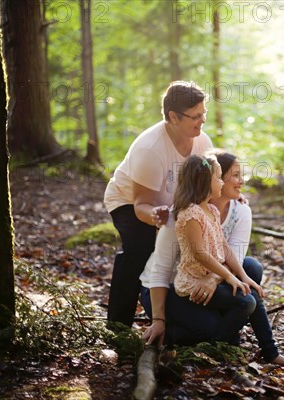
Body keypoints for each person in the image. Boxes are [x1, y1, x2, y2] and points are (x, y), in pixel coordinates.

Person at [141, 154, 284, 365]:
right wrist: (158, 320)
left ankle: (269, 350)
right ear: (206, 180)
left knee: (251, 277)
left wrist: (242, 277)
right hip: (179, 287)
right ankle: (214, 344)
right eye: (228, 176)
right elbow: (182, 261)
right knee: (243, 304)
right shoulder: (187, 214)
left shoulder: (212, 210)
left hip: (206, 279)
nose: (241, 181)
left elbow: (225, 247)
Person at [103, 81, 212, 327]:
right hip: (130, 202)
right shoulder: (150, 149)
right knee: (140, 248)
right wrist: (155, 218)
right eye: (195, 116)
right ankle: (118, 325)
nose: (202, 120)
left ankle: (180, 318)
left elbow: (210, 186)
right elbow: (142, 204)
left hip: (174, 203)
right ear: (173, 117)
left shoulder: (202, 142)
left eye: (204, 113)